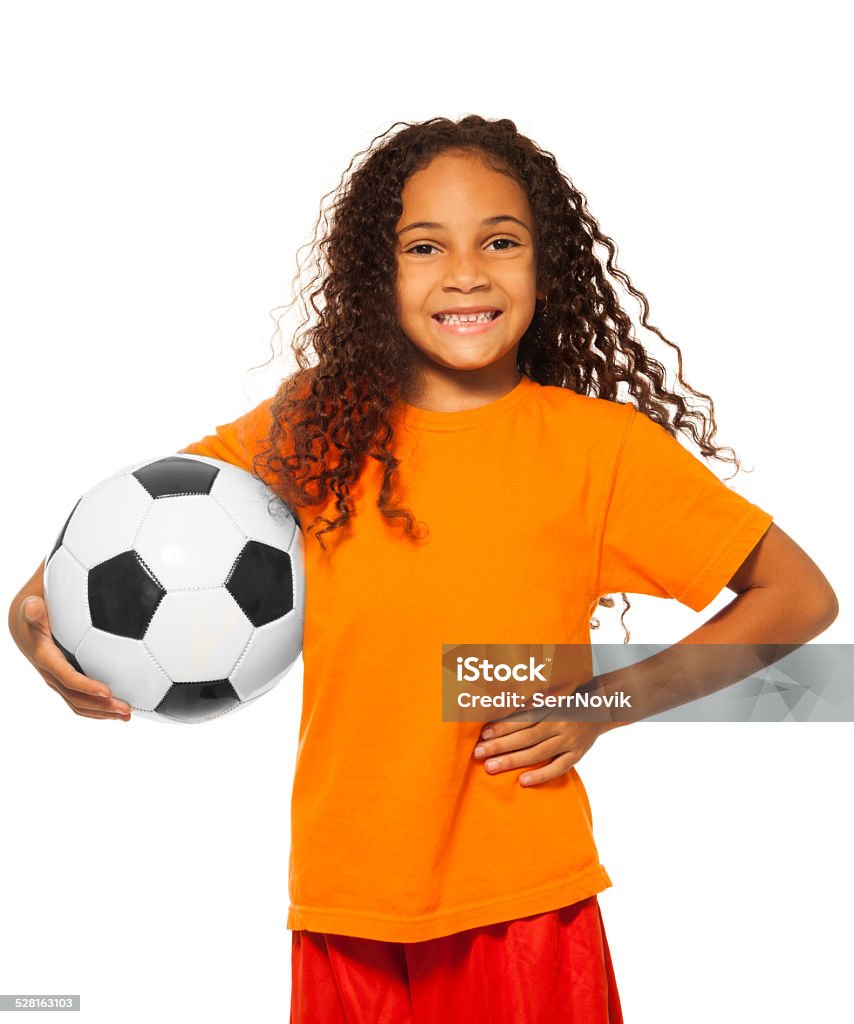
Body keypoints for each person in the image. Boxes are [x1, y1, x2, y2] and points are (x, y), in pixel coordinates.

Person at [8, 115, 838, 1023]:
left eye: (502, 241)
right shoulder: (311, 427)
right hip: (344, 900)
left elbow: (798, 596)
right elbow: (132, 535)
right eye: (424, 246)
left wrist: (605, 701)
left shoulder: (602, 451)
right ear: (378, 273)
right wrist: (33, 612)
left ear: (545, 266)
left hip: (523, 904)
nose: (467, 272)